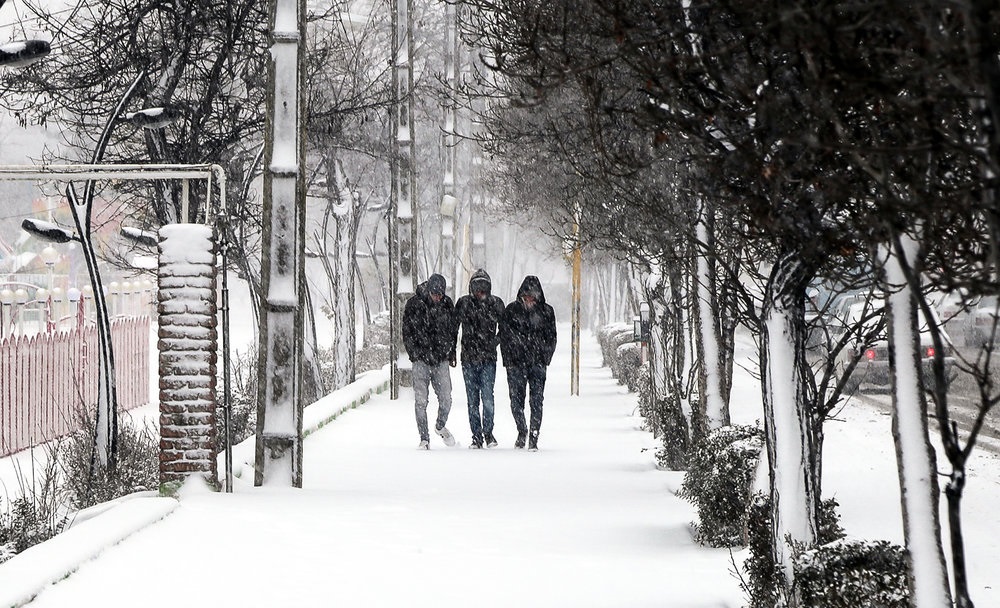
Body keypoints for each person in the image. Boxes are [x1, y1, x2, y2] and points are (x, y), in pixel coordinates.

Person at [499, 275, 557, 451]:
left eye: (532, 296)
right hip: (516, 364)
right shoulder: (511, 311)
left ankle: (534, 435)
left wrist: (545, 357)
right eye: (527, 296)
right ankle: (522, 430)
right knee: (516, 401)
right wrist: (508, 360)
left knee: (536, 401)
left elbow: (552, 337)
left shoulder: (547, 312)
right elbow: (504, 336)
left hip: (538, 363)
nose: (529, 299)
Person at [402, 273, 458, 449]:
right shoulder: (414, 304)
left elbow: (453, 331)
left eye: (440, 295)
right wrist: (414, 353)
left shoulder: (447, 304)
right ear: (428, 291)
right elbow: (407, 331)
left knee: (446, 398)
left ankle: (440, 425)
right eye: (435, 294)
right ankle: (424, 438)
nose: (438, 298)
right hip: (420, 360)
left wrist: (451, 352)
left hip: (441, 359)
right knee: (421, 400)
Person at [455, 269, 505, 449]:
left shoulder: (496, 304)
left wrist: (494, 343)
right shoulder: (464, 304)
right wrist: (452, 352)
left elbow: (505, 329)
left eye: (484, 288)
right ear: (471, 288)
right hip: (468, 359)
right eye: (477, 287)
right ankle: (476, 436)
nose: (480, 292)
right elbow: (453, 328)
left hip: (488, 359)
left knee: (487, 397)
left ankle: (488, 433)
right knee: (472, 399)